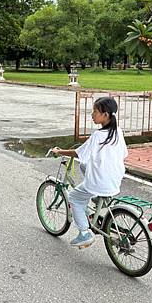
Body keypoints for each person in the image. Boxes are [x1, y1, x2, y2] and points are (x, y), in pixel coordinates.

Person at [51, 97, 128, 248]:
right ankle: (98, 198)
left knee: (74, 198)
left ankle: (84, 233)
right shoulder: (118, 132)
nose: (92, 114)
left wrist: (60, 152)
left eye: (95, 111)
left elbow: (79, 153)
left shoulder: (97, 136)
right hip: (115, 179)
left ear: (105, 115)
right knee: (84, 166)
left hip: (101, 183)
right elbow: (124, 154)